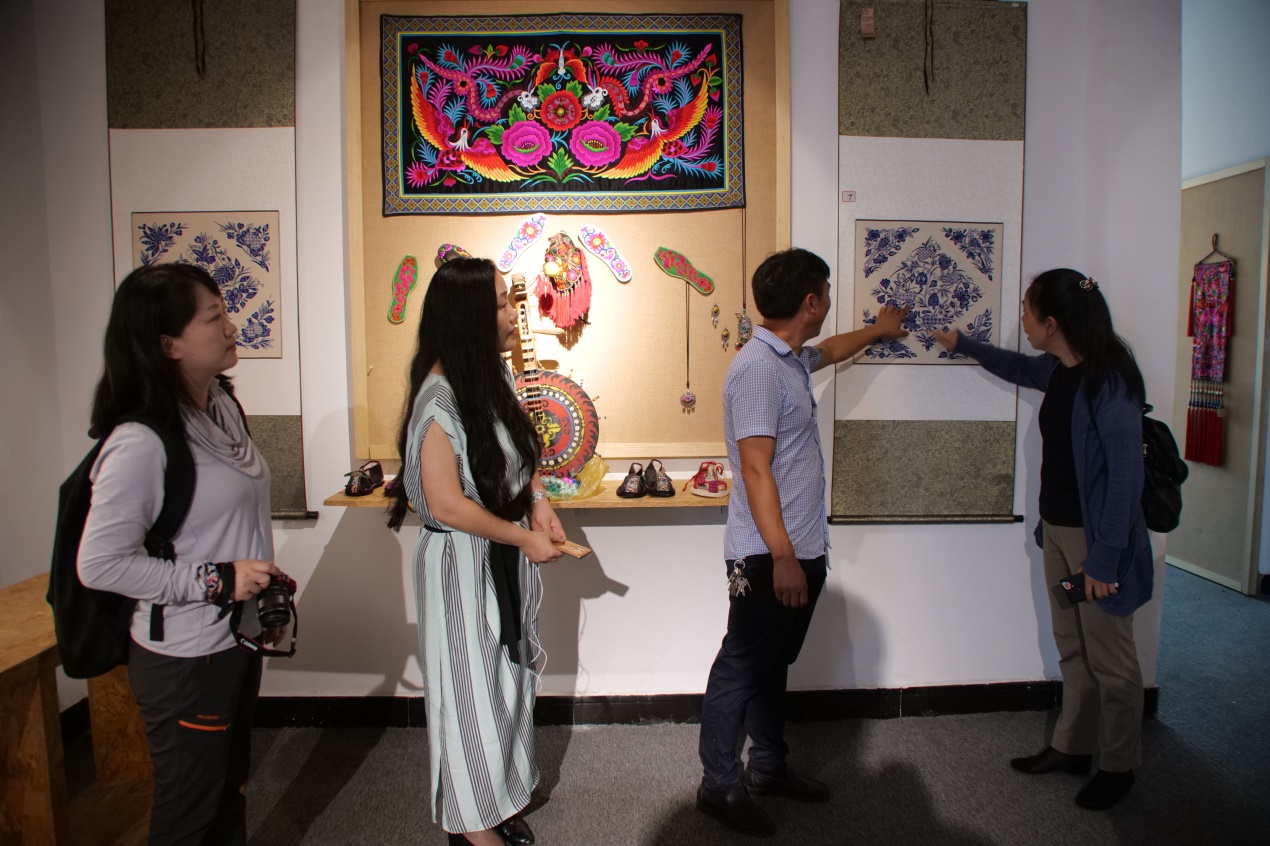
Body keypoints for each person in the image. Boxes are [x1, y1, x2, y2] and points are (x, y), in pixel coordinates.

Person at [696, 248, 909, 836]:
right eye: (828, 292)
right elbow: (755, 468)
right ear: (810, 302)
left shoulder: (787, 358)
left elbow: (831, 349)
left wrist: (878, 330)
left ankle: (767, 766)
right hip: (770, 553)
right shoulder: (758, 369)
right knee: (741, 667)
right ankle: (718, 785)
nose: (831, 301)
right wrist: (784, 557)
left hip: (800, 547)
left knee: (770, 665)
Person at [78, 263, 287, 845]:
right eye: (214, 316)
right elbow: (100, 563)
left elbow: (225, 525)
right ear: (168, 344)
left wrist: (258, 592)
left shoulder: (221, 405)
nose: (231, 326)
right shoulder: (140, 441)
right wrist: (218, 581)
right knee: (189, 809)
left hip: (235, 638)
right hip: (186, 657)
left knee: (228, 788)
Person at [934, 268, 1151, 811]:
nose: (1023, 321)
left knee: (1112, 659)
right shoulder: (1059, 369)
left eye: (1028, 313)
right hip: (1058, 532)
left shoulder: (1110, 383)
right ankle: (1072, 747)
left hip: (1096, 545)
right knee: (1072, 645)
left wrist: (1104, 560)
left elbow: (1126, 480)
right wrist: (963, 344)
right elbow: (1016, 366)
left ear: (1052, 323)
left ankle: (1118, 765)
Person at [387, 257, 565, 846]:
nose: (512, 314)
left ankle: (496, 801)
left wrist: (537, 500)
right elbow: (446, 504)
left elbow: (519, 454)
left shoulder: (490, 378)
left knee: (504, 685)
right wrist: (523, 537)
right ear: (468, 317)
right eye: (500, 304)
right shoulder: (438, 400)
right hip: (460, 567)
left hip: (497, 556)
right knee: (469, 696)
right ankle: (471, 826)